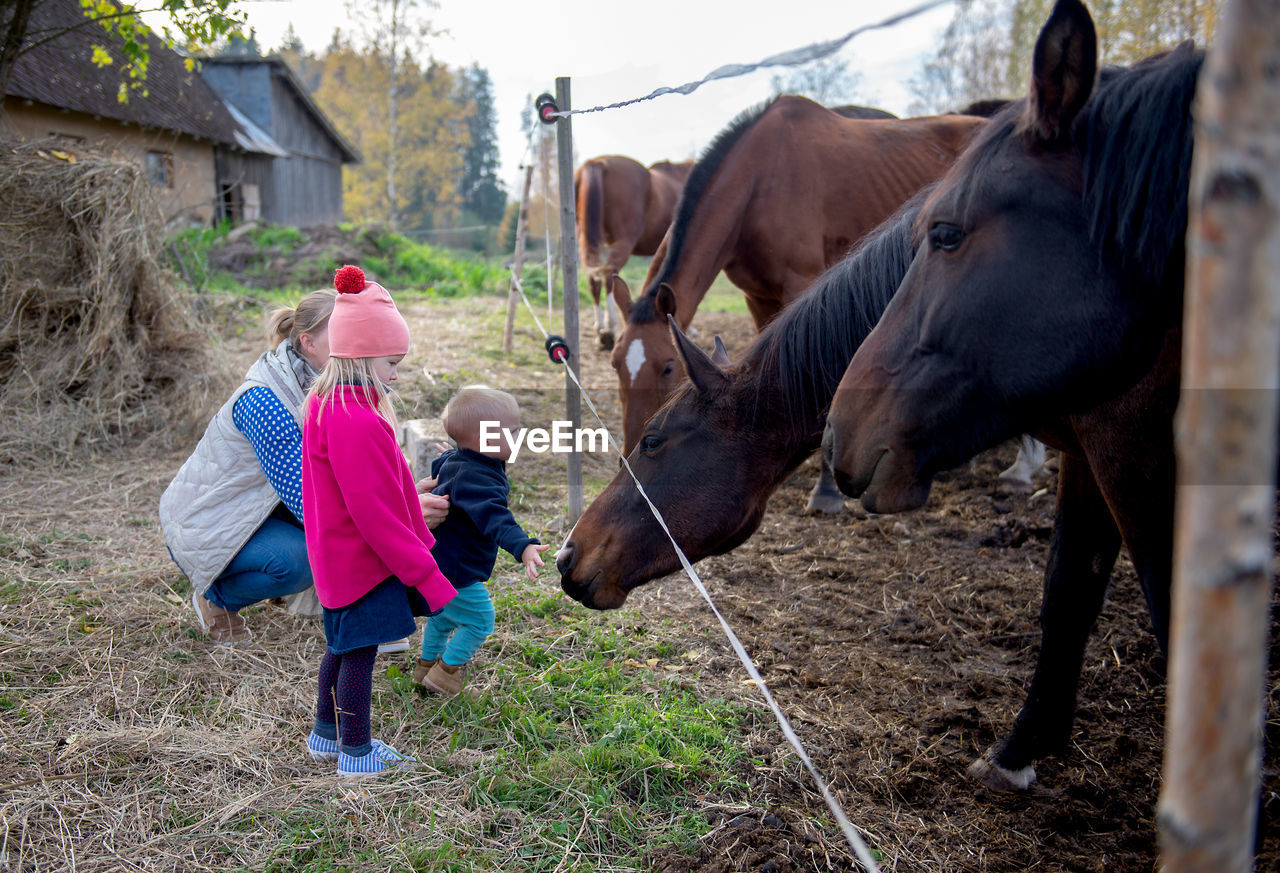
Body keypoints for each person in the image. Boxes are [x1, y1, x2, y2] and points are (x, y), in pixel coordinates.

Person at [159, 287, 448, 646]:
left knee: (334, 541)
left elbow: (360, 469)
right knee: (300, 561)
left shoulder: (343, 385)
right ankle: (216, 597)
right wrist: (399, 516)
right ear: (309, 344)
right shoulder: (266, 401)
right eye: (342, 330)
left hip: (265, 510)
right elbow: (310, 500)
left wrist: (402, 497)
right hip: (209, 520)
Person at [302, 264, 458, 778]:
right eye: (392, 362)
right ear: (364, 354)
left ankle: (326, 736)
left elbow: (383, 496)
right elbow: (375, 516)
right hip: (361, 563)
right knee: (360, 655)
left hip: (338, 559)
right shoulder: (355, 421)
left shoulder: (331, 404)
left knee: (341, 645)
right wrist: (426, 576)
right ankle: (357, 751)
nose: (396, 373)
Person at [413, 385, 552, 697]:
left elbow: (451, 464)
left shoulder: (464, 461)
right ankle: (446, 672)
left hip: (441, 562)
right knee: (480, 620)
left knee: (444, 617)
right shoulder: (476, 478)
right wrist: (523, 546)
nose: (520, 437)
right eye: (513, 432)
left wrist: (448, 455)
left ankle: (425, 666)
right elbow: (495, 518)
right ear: (481, 441)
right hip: (457, 569)